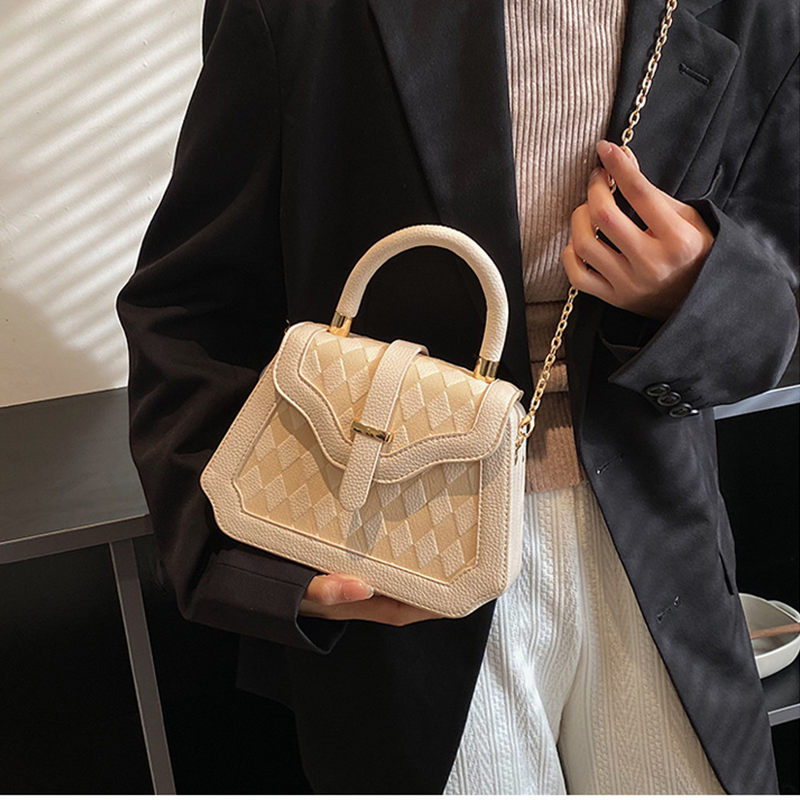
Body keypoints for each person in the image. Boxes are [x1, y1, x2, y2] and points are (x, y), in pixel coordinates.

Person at [116, 0, 799, 793]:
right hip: (395, 548)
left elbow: (783, 281)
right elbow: (190, 308)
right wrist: (257, 556)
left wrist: (699, 291)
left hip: (661, 543)